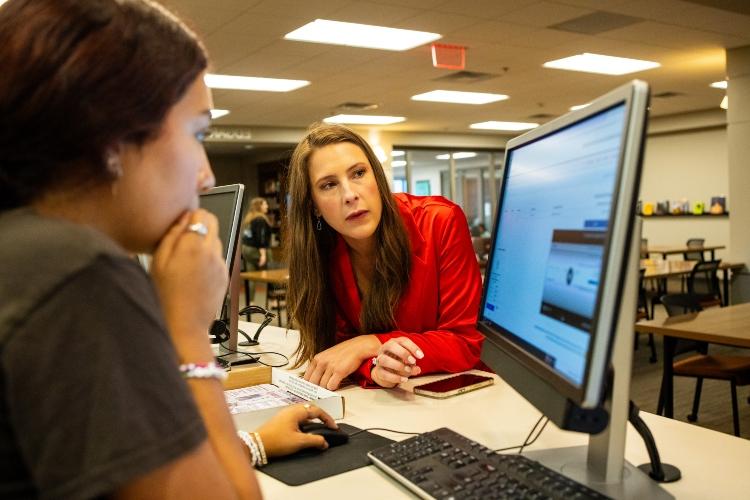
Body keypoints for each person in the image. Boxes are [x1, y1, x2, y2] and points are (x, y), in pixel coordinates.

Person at [0, 1, 335, 498]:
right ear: (110, 138)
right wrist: (189, 332)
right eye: (198, 134)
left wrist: (253, 445)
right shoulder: (80, 280)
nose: (207, 175)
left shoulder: (23, 251)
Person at [285, 123, 485, 391]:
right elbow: (339, 351)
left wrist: (369, 343)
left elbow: (465, 342)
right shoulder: (322, 254)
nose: (350, 195)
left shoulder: (440, 220)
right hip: (391, 400)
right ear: (314, 206)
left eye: (358, 173)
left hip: (462, 392)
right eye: (329, 185)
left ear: (377, 177)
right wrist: (373, 367)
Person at [241, 197, 273, 303]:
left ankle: (251, 302)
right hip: (255, 249)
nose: (267, 206)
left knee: (252, 276)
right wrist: (263, 254)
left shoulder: (249, 218)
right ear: (259, 206)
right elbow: (261, 237)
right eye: (265, 204)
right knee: (272, 271)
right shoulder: (260, 219)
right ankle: (274, 300)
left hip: (246, 249)